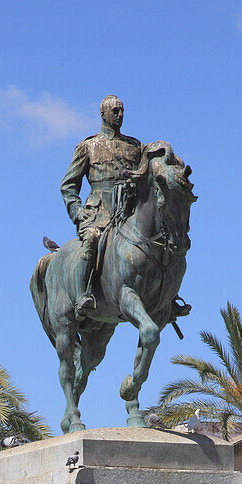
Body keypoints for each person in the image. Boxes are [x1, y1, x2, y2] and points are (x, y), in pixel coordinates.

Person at [60, 94, 142, 319]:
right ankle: (83, 295)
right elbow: (68, 185)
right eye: (115, 111)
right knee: (93, 238)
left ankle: (167, 298)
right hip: (99, 215)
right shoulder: (88, 146)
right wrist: (78, 213)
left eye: (122, 110)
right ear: (103, 114)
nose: (120, 115)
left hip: (129, 213)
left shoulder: (135, 147)